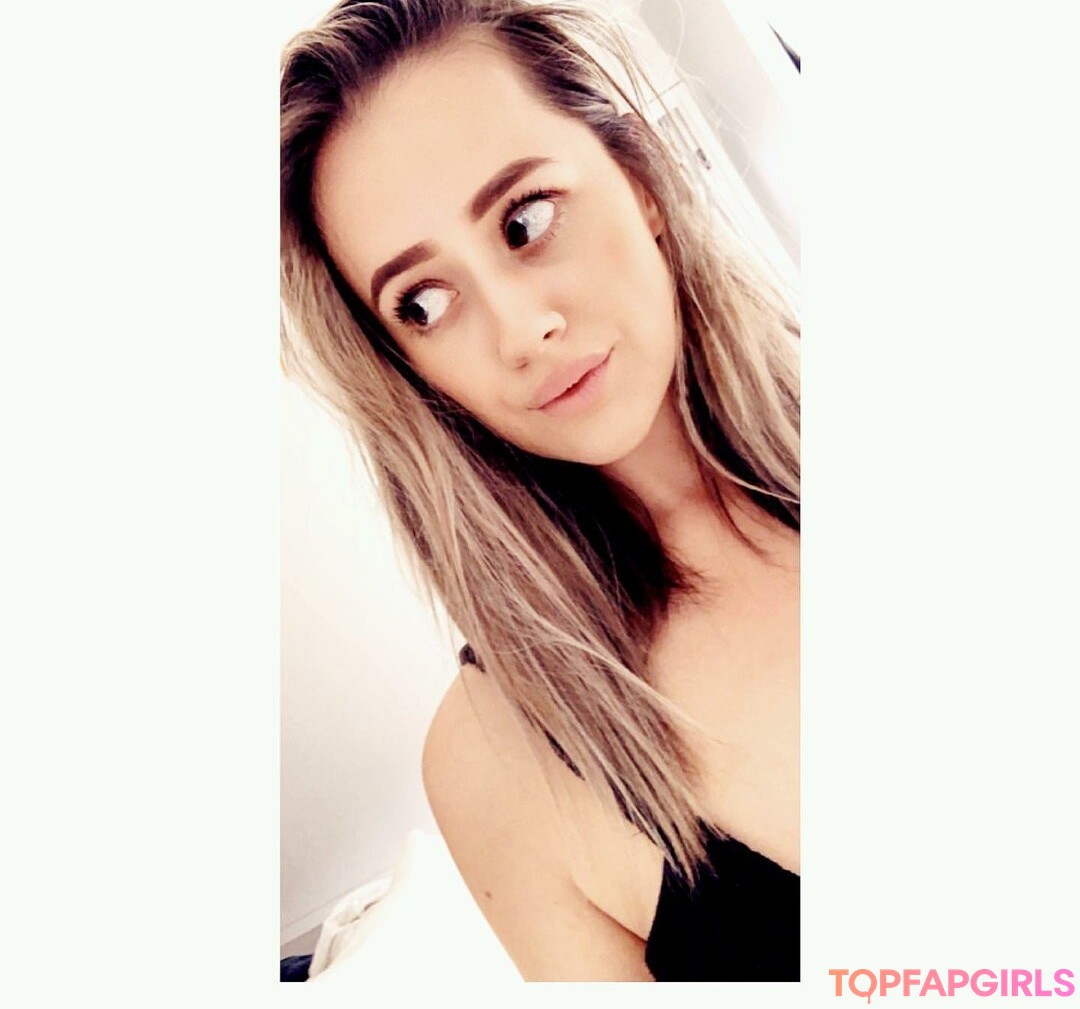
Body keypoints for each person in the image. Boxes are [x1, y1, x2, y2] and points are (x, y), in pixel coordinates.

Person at [280, 0, 799, 981]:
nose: (521, 331)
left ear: (638, 177)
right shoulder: (493, 762)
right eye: (424, 302)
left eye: (526, 220)